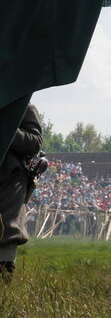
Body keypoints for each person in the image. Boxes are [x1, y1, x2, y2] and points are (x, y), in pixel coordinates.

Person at [0, 103, 43, 283]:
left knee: (9, 228)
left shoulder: (24, 105)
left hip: (11, 177)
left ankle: (4, 272)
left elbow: (35, 142)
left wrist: (8, 129)